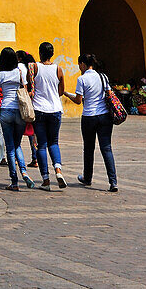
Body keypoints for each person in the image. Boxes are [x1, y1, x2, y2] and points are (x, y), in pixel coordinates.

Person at [63, 53, 118, 192]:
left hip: (89, 117)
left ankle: (87, 178)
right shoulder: (103, 76)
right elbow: (109, 94)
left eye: (79, 64)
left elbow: (78, 100)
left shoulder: (82, 79)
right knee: (106, 148)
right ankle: (113, 182)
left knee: (88, 149)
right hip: (105, 116)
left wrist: (66, 94)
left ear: (82, 64)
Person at [0, 47, 35, 190]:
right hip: (19, 111)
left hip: (5, 110)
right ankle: (24, 172)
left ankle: (14, 181)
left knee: (10, 148)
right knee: (17, 145)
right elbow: (25, 89)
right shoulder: (20, 72)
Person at [32, 41, 66, 190]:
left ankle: (45, 179)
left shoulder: (34, 67)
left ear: (40, 53)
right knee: (54, 142)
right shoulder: (58, 69)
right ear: (52, 54)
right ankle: (58, 170)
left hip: (39, 109)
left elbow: (30, 86)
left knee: (41, 145)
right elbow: (61, 91)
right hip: (55, 109)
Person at [16, 50, 39, 166]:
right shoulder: (32, 67)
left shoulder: (19, 67)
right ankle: (35, 158)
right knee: (32, 131)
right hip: (33, 101)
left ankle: (15, 157)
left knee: (18, 130)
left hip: (22, 100)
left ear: (19, 58)